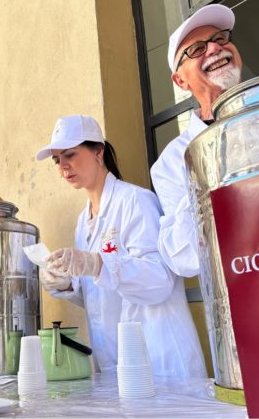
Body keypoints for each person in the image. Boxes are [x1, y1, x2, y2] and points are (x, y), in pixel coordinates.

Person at [36, 115, 206, 377]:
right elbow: (102, 296)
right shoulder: (84, 221)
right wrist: (68, 285)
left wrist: (97, 264)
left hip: (160, 362)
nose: (63, 167)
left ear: (98, 152)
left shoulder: (136, 200)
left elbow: (160, 280)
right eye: (57, 160)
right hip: (115, 364)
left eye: (70, 154)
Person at [151, 4, 243, 278]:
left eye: (220, 38)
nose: (214, 48)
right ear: (180, 81)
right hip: (242, 289)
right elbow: (184, 260)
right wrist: (205, 178)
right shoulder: (171, 162)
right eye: (197, 49)